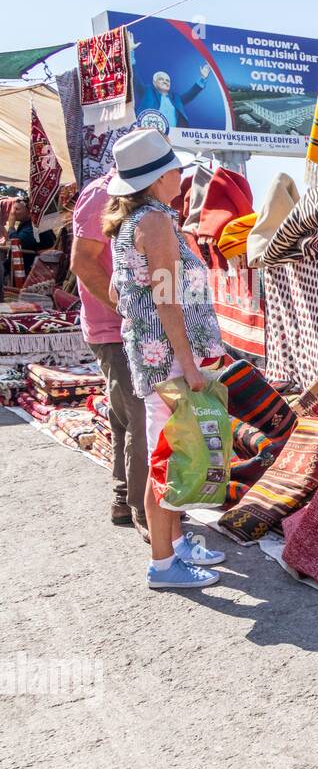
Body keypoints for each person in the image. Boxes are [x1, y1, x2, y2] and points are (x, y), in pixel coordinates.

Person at [101, 128, 228, 589]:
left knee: (171, 450)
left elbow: (120, 291)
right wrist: (189, 364)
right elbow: (167, 300)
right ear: (157, 178)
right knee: (171, 457)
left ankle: (173, 548)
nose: (182, 173)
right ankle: (162, 565)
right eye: (175, 168)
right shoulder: (154, 223)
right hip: (170, 361)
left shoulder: (138, 222)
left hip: (156, 356)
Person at [70, 168, 150, 539]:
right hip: (113, 329)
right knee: (139, 417)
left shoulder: (132, 191)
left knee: (124, 417)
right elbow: (82, 262)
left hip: (123, 326)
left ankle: (123, 500)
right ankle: (146, 514)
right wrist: (124, 307)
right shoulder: (103, 194)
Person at [136, 65, 210, 129]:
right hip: (150, 134)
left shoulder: (176, 99)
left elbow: (191, 94)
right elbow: (135, 78)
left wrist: (202, 78)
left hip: (174, 136)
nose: (165, 82)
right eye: (161, 79)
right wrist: (130, 55)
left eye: (167, 80)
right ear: (154, 83)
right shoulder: (147, 92)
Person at [11, 198, 57, 272]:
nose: (12, 212)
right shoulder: (26, 224)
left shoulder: (34, 226)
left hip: (34, 269)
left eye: (17, 209)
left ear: (29, 212)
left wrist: (11, 227)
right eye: (13, 209)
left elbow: (17, 243)